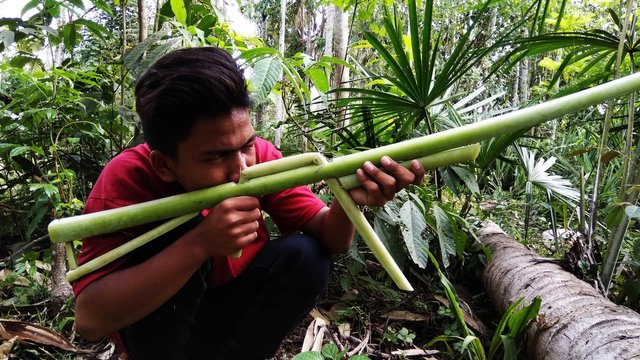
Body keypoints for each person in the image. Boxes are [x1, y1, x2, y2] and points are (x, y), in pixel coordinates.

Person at [72, 46, 424, 359]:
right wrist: (199, 243)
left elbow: (332, 239)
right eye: (216, 157)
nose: (242, 168)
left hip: (227, 315)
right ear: (164, 165)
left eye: (246, 145)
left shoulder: (261, 160)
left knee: (306, 255)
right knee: (180, 228)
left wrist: (349, 199)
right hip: (155, 327)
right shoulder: (126, 181)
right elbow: (89, 321)